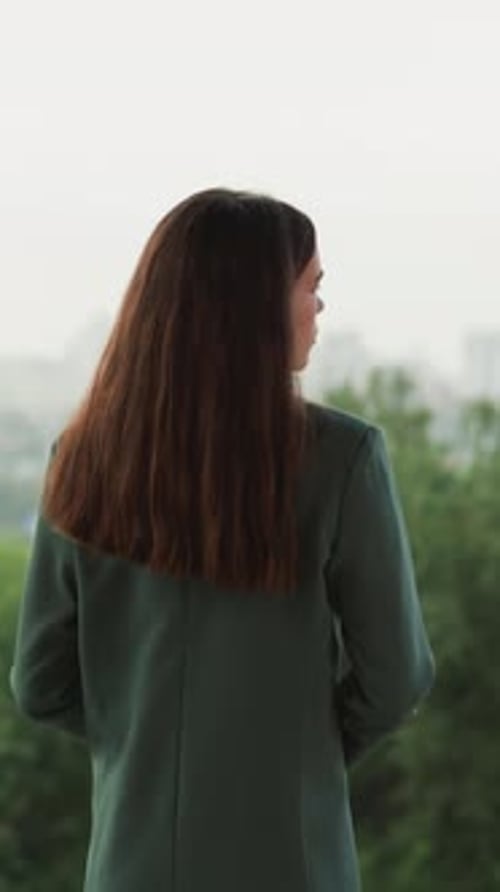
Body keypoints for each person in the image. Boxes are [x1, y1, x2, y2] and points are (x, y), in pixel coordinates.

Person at [9, 187, 435, 892]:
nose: (321, 308)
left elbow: (40, 683)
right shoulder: (343, 458)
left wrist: (146, 745)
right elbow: (396, 680)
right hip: (292, 863)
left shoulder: (79, 459)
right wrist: (300, 753)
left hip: (130, 866)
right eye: (311, 287)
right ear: (256, 307)